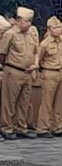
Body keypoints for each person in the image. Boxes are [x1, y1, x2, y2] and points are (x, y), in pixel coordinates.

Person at [0, 7, 39, 139]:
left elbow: (35, 52)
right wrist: (8, 66)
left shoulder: (31, 35)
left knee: (24, 101)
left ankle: (21, 126)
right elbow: (2, 53)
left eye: (30, 21)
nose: (28, 24)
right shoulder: (10, 34)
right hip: (13, 70)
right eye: (26, 21)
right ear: (19, 20)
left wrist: (34, 65)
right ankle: (6, 127)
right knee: (9, 101)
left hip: (28, 72)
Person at [35, 16, 62, 138]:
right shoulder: (44, 44)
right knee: (47, 102)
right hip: (49, 72)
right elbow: (38, 59)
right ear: (49, 29)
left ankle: (57, 127)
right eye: (55, 27)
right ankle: (43, 128)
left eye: (59, 27)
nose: (58, 30)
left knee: (59, 102)